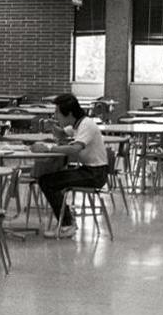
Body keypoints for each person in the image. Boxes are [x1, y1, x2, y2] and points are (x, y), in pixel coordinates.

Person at [32, 93, 108, 238]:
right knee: (48, 179)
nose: (56, 115)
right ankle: (67, 219)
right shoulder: (77, 123)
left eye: (58, 113)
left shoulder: (86, 125)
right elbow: (62, 135)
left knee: (47, 182)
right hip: (89, 170)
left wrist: (48, 149)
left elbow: (75, 149)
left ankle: (67, 224)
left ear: (69, 114)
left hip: (95, 174)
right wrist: (53, 126)